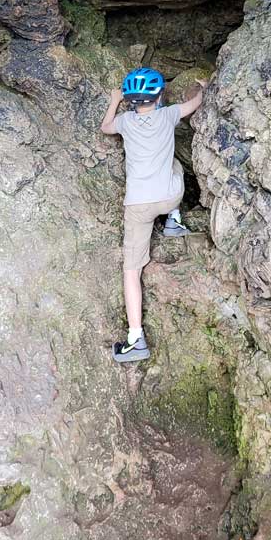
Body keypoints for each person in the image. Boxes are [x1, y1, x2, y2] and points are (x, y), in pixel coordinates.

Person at [100, 66, 207, 364]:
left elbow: (105, 127)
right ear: (159, 95)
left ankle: (136, 340)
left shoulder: (124, 122)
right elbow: (195, 103)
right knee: (175, 164)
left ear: (131, 99)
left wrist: (114, 100)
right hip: (168, 197)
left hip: (138, 206)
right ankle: (174, 219)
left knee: (131, 270)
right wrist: (203, 86)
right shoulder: (169, 114)